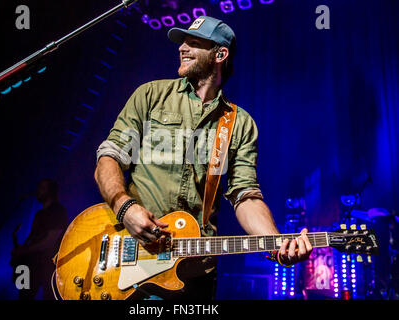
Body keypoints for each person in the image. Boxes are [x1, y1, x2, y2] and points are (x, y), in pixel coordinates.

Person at [94, 16, 312, 299]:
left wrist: (275, 243)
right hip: (131, 260)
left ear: (220, 54)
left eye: (193, 43)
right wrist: (125, 207)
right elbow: (108, 158)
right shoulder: (150, 95)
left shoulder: (239, 123)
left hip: (195, 273)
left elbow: (246, 196)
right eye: (182, 42)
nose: (182, 47)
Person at [10, 179, 68, 300]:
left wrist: (24, 251)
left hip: (48, 265)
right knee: (24, 296)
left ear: (51, 192)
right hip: (30, 265)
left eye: (42, 188)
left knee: (49, 296)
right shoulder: (39, 214)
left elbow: (50, 241)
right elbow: (35, 239)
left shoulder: (58, 210)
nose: (38, 191)